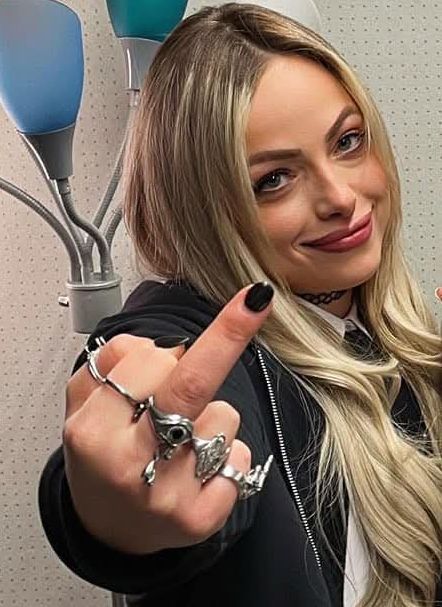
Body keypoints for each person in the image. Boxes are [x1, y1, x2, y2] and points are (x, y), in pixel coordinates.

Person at [38, 3, 442, 606]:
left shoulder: (389, 331)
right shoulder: (191, 332)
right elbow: (162, 402)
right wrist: (114, 513)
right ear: (205, 208)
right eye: (273, 179)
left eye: (347, 142)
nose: (340, 197)